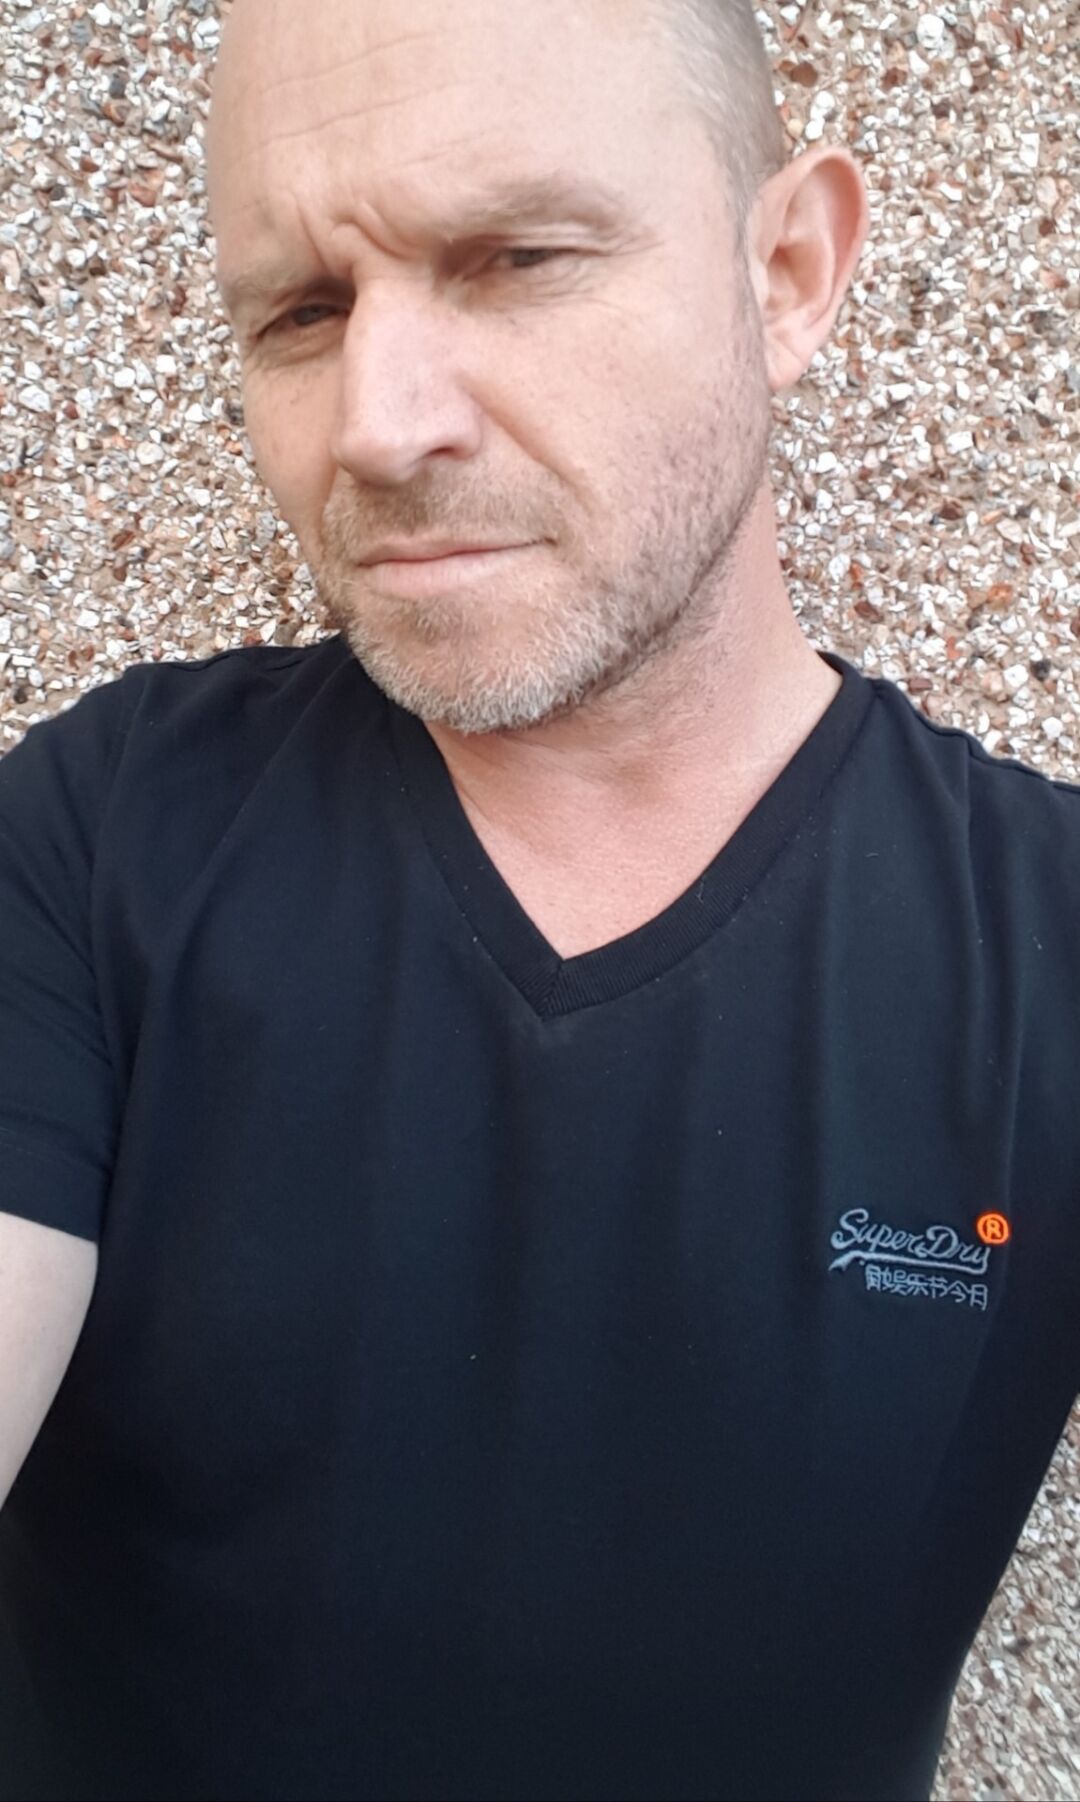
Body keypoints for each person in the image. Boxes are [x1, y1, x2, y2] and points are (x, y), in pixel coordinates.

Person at [0, 1, 1076, 1797]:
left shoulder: (1045, 943)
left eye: (515, 258)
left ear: (787, 273)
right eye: (300, 311)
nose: (377, 425)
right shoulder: (95, 837)